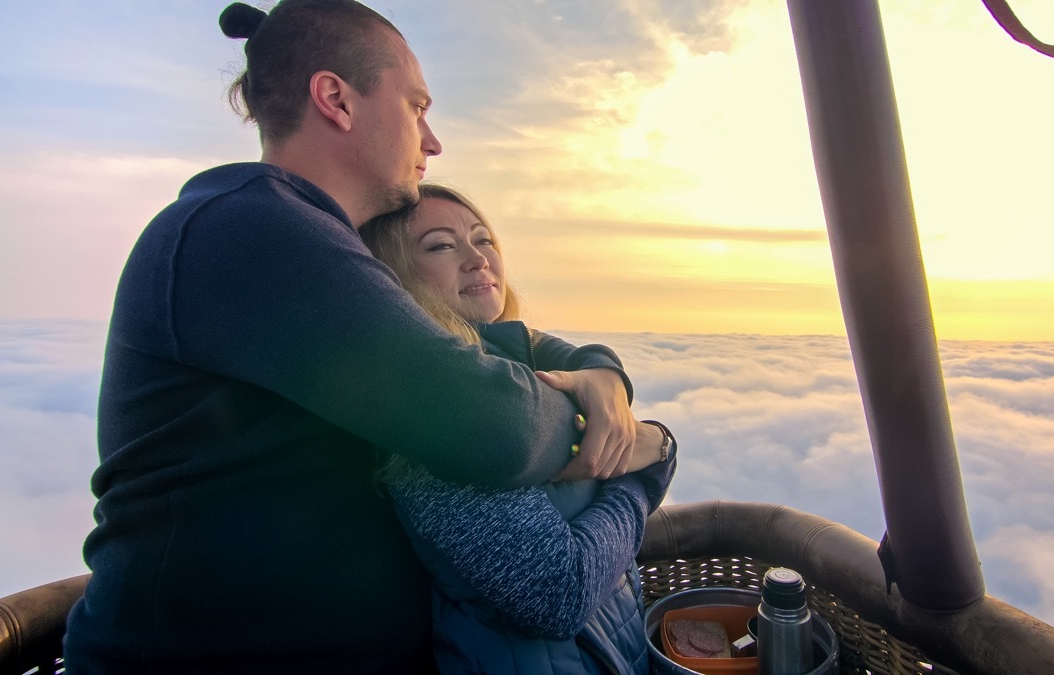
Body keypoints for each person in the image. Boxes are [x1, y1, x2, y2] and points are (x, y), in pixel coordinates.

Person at [63, 2, 658, 673]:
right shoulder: (249, 230)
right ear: (336, 99)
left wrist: (601, 372)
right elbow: (494, 425)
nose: (432, 142)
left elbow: (502, 340)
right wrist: (634, 447)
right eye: (415, 107)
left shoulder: (315, 256)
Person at [361, 183, 677, 673]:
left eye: (484, 239)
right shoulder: (436, 413)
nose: (477, 258)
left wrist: (613, 387)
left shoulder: (520, 380)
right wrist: (642, 473)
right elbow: (557, 593)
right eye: (442, 245)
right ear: (394, 280)